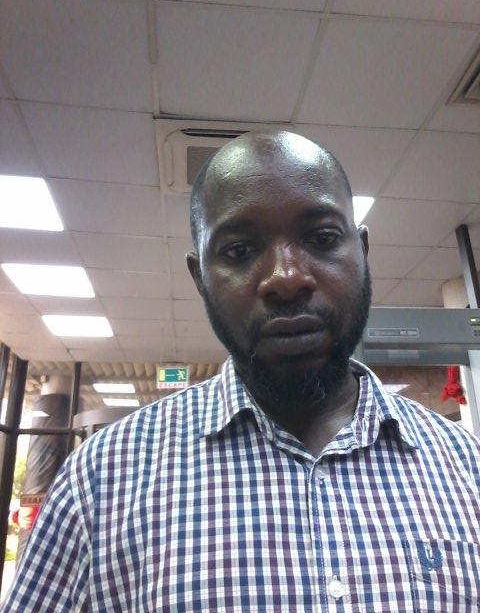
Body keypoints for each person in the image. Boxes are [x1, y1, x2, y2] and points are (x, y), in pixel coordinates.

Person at [2, 131, 480, 612]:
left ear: (363, 252)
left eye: (322, 239)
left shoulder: (467, 467)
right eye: (238, 251)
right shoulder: (101, 481)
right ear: (200, 279)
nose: (286, 278)